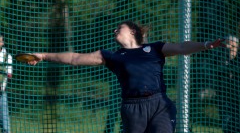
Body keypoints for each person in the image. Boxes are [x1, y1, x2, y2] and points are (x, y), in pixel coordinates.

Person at [28, 21, 225, 133]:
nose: (115, 30)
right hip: (132, 108)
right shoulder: (112, 56)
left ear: (132, 31)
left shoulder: (155, 49)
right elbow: (75, 58)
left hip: (159, 104)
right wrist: (44, 56)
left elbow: (182, 47)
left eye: (118, 28)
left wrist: (206, 44)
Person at [217, 35, 240, 133]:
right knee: (227, 126)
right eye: (228, 46)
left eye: (233, 47)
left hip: (236, 101)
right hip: (225, 100)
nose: (230, 49)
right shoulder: (219, 61)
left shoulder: (237, 62)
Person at [0, 35, 12, 133]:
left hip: (1, 92)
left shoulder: (7, 57)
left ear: (2, 43)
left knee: (5, 125)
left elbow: (9, 75)